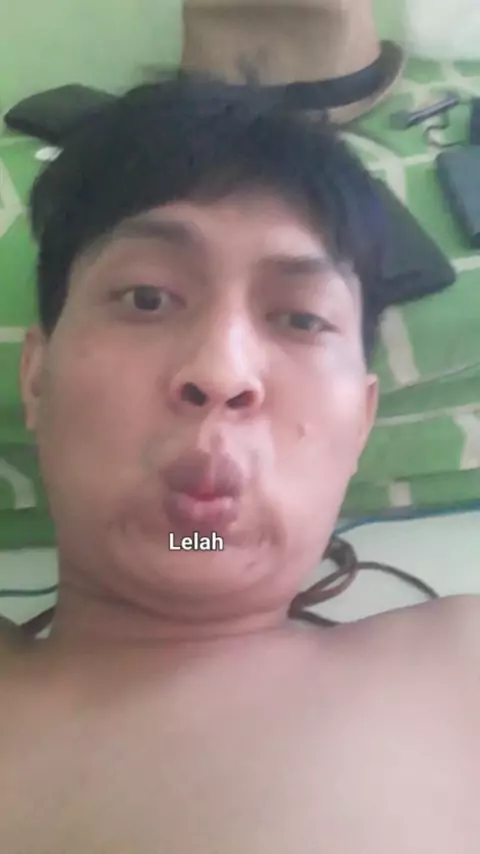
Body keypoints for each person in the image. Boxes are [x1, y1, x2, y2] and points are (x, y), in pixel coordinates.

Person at [0, 73, 478, 853]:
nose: (221, 373)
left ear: (361, 421)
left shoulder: (463, 672)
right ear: (36, 380)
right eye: (147, 298)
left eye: (301, 318)